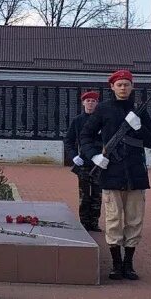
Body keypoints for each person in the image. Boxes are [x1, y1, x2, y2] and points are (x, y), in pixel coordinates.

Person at [79, 69, 151, 281]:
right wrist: (94, 156)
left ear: (132, 86)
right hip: (111, 172)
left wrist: (140, 127)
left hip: (135, 173)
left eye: (127, 84)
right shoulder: (103, 110)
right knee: (113, 220)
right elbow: (85, 136)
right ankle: (116, 264)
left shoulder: (139, 111)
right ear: (112, 87)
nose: (123, 88)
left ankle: (128, 264)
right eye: (119, 84)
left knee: (134, 220)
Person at [63, 90, 102, 232]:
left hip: (99, 163)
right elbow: (68, 140)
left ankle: (94, 222)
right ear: (83, 103)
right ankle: (84, 223)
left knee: (97, 195)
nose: (90, 103)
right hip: (84, 162)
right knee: (84, 195)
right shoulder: (78, 121)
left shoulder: (102, 120)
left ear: (97, 103)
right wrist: (74, 156)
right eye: (88, 101)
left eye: (93, 101)